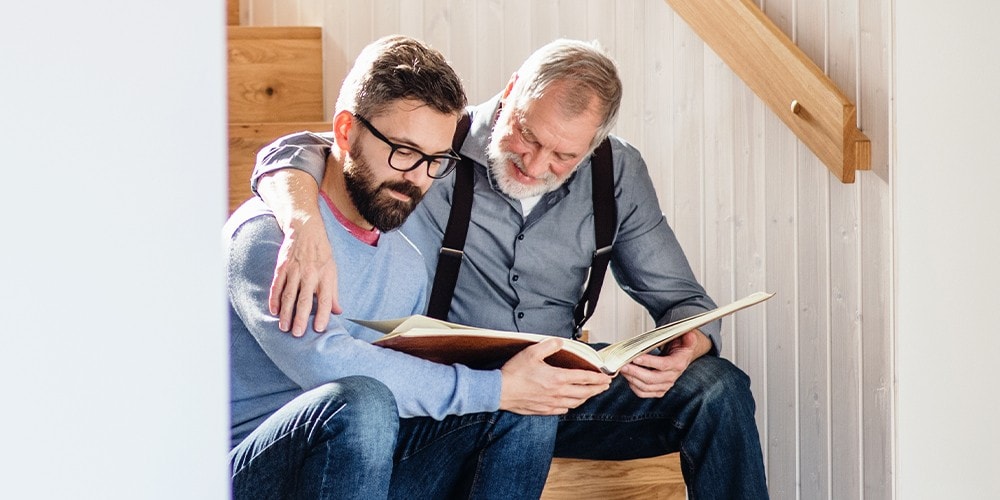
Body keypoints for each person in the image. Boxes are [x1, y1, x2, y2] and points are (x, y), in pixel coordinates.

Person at [252, 38, 768, 498]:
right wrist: (300, 221)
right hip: (462, 383)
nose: (536, 164)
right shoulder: (437, 146)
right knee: (520, 408)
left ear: (592, 145)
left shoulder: (616, 170)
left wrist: (689, 346)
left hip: (567, 377)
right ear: (511, 92)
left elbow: (684, 300)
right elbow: (320, 149)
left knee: (717, 388)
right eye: (528, 135)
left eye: (564, 155)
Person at [226, 35, 580, 500]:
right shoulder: (271, 236)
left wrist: (511, 391)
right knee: (362, 401)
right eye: (404, 151)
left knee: (522, 411)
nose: (416, 177)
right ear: (347, 131)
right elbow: (327, 364)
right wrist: (491, 388)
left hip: (361, 464)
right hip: (246, 469)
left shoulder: (408, 259)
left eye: (436, 161)